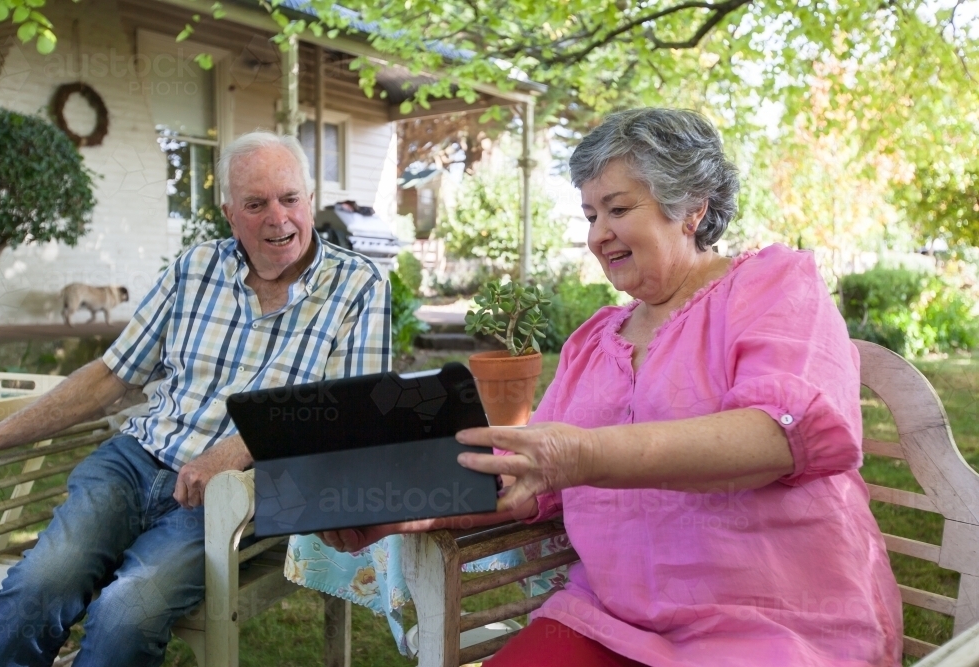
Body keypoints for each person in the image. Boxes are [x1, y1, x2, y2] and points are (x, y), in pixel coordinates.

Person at [321, 108, 902, 666]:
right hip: (613, 622)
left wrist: (581, 455)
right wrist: (397, 509)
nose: (599, 235)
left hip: (778, 625)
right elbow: (529, 477)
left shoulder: (774, 286)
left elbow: (780, 437)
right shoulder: (594, 340)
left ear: (692, 209)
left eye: (617, 209)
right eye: (590, 215)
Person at [0, 131, 390, 667]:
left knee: (126, 614)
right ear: (229, 214)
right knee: (38, 587)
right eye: (255, 204)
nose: (278, 218)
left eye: (290, 199)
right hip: (133, 465)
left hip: (231, 495)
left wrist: (237, 449)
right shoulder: (194, 268)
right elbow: (111, 376)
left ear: (309, 200)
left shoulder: (358, 286)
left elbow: (345, 412)